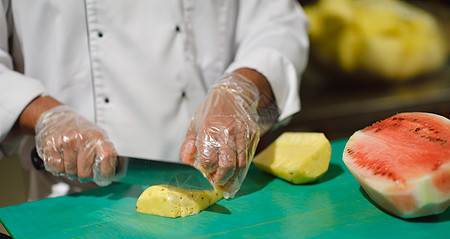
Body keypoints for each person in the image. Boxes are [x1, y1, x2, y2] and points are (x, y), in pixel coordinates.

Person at [0, 1, 309, 201]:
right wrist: (45, 115)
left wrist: (242, 89)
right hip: (76, 199)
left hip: (213, 183)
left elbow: (278, 23)